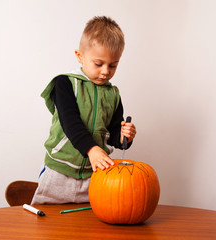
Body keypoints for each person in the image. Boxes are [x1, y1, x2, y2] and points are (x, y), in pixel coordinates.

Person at [31, 16, 137, 204]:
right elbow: (70, 123)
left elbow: (112, 135)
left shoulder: (113, 94)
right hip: (58, 172)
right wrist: (91, 149)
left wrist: (123, 137)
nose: (105, 71)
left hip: (95, 175)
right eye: (99, 64)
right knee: (48, 227)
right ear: (80, 56)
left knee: (90, 227)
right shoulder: (64, 83)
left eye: (113, 65)